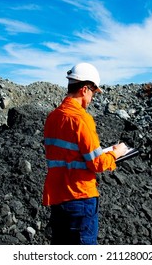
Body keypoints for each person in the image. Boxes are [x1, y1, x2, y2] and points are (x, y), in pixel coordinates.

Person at [42, 62, 128, 245]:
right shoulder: (81, 119)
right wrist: (116, 153)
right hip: (80, 197)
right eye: (93, 93)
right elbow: (97, 163)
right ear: (84, 89)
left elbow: (65, 155)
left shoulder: (53, 117)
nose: (91, 99)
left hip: (58, 198)